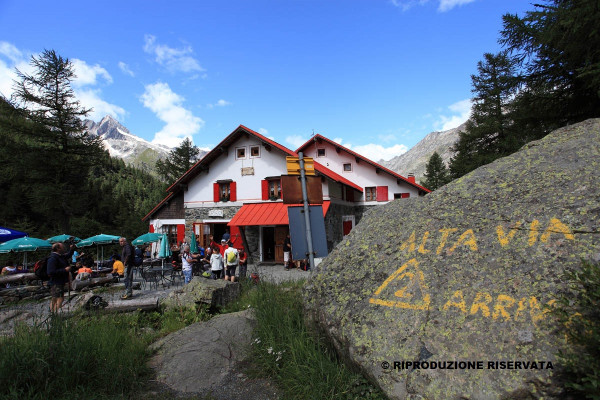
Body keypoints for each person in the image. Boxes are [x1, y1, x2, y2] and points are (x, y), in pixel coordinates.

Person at [47, 242, 71, 312]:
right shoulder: (53, 258)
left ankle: (52, 313)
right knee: (59, 298)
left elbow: (67, 256)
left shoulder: (59, 256)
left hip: (58, 281)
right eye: (62, 246)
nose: (64, 247)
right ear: (58, 248)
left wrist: (71, 249)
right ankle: (55, 314)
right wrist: (64, 270)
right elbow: (50, 272)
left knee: (54, 298)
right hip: (56, 281)